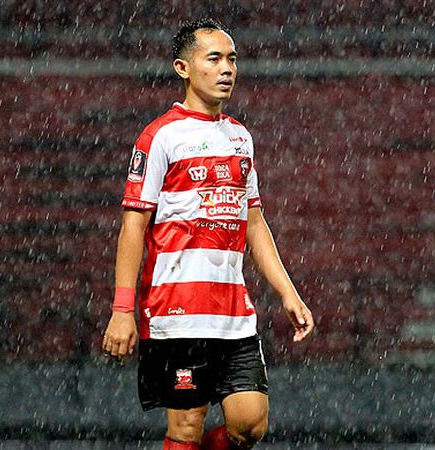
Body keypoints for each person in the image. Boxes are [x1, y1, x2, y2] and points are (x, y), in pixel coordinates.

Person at [102, 19, 315, 450]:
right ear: (183, 67)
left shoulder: (240, 138)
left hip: (234, 313)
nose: (226, 69)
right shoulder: (160, 137)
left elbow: (253, 220)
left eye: (232, 59)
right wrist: (123, 310)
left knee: (250, 425)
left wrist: (287, 292)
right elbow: (133, 225)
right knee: (185, 429)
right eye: (214, 58)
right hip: (177, 311)